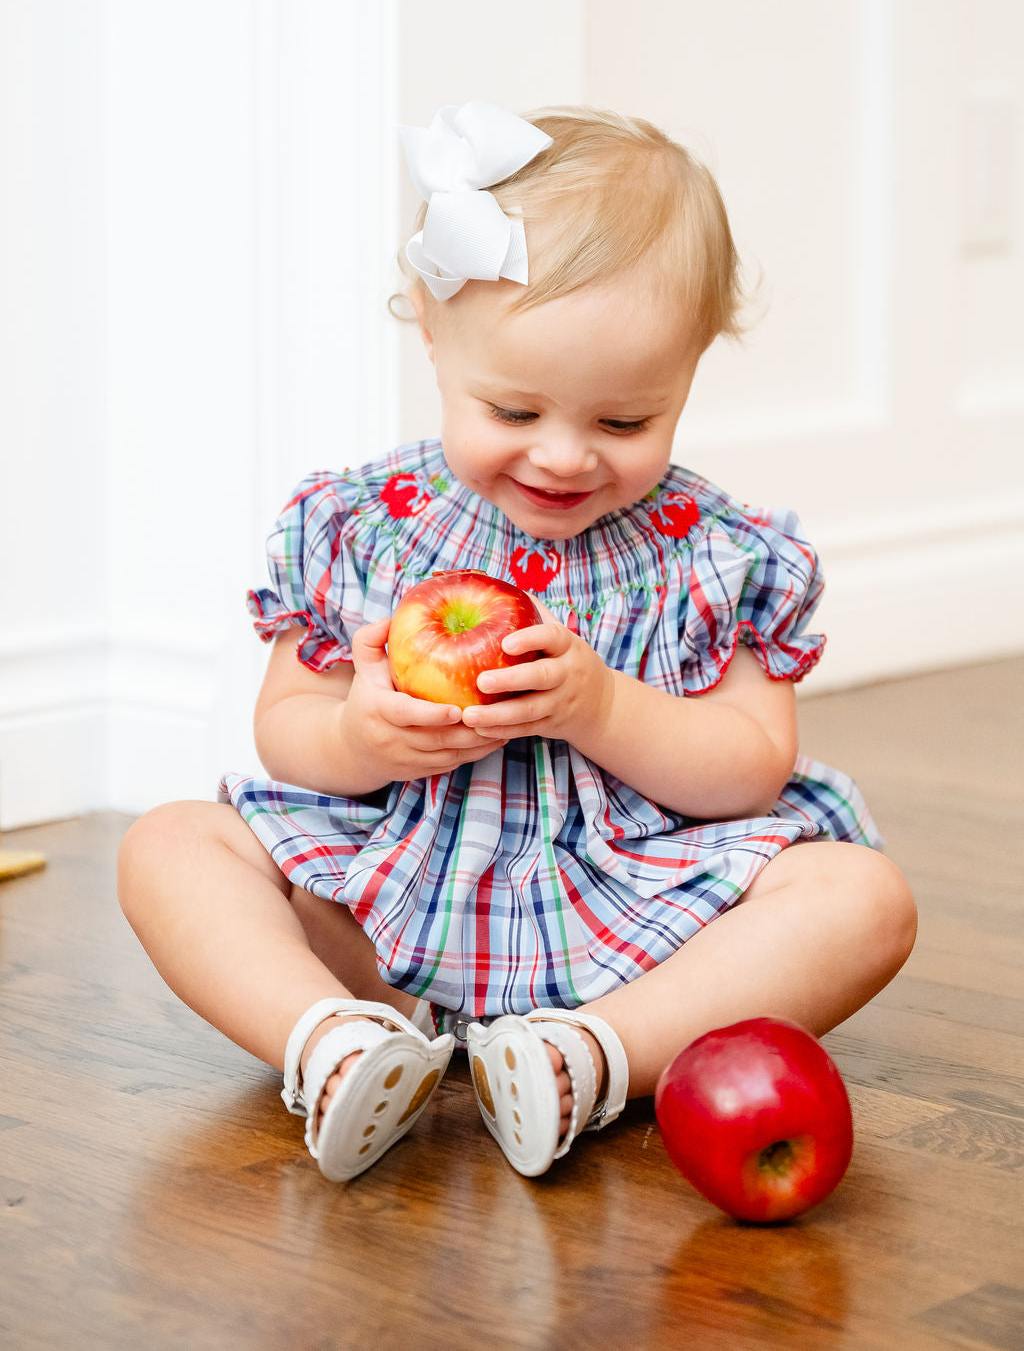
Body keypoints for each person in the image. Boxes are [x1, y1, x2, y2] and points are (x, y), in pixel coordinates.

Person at [117, 101, 917, 1183]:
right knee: (168, 847)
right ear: (436, 340)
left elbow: (749, 769)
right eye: (513, 409)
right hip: (382, 912)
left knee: (862, 899)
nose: (563, 457)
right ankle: (337, 1043)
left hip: (637, 924)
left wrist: (603, 707)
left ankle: (585, 1057)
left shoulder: (718, 555)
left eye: (625, 422)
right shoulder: (362, 523)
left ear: (687, 376)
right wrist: (361, 738)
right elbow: (284, 731)